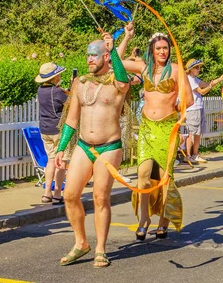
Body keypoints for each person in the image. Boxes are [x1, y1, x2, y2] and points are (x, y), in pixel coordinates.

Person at [53, 32, 130, 267]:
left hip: (109, 147)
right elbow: (71, 120)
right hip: (83, 146)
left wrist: (115, 49)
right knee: (69, 195)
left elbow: (124, 80)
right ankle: (81, 243)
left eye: (94, 55)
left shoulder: (117, 83)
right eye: (87, 55)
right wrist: (61, 148)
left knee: (100, 197)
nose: (89, 59)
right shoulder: (81, 83)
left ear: (106, 57)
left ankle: (100, 249)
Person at [116, 22, 193, 241]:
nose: (162, 51)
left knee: (165, 178)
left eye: (165, 48)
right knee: (142, 175)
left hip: (168, 129)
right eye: (158, 48)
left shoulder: (177, 70)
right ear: (152, 50)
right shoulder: (143, 67)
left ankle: (163, 222)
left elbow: (190, 99)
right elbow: (116, 64)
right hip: (147, 128)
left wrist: (174, 109)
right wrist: (126, 37)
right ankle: (144, 220)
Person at [35, 62, 68, 205]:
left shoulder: (40, 90)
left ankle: (46, 192)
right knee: (61, 161)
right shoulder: (58, 92)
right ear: (54, 77)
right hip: (58, 129)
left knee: (50, 160)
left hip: (45, 129)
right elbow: (70, 104)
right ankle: (57, 193)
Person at [184, 59, 223, 164]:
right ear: (191, 69)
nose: (199, 69)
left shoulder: (195, 79)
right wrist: (211, 86)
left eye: (199, 67)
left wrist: (219, 79)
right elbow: (202, 91)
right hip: (192, 109)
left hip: (198, 108)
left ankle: (195, 154)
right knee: (191, 133)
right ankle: (188, 156)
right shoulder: (189, 79)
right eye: (197, 67)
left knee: (198, 133)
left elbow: (207, 84)